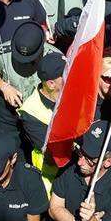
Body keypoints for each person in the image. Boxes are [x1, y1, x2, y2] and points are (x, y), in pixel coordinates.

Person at [49, 120, 111, 221]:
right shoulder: (71, 165)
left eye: (89, 160)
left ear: (108, 162)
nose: (80, 162)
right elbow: (54, 208)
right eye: (81, 153)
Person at [0, 21, 59, 137]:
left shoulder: (55, 57)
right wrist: (4, 87)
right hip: (9, 111)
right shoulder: (3, 52)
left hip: (39, 115)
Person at [17, 51, 65, 190]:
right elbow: (54, 153)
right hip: (52, 179)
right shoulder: (30, 112)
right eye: (65, 74)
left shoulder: (70, 94)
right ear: (51, 84)